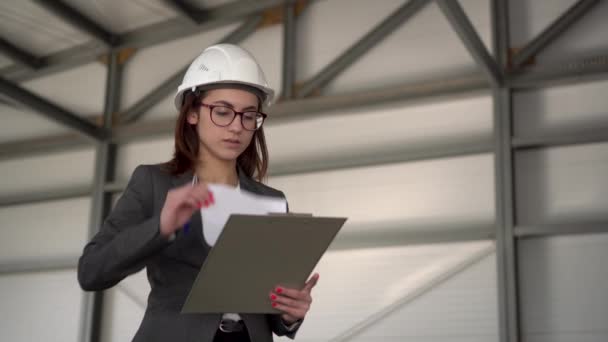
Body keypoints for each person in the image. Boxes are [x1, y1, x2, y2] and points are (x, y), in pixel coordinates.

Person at [78, 44, 318, 342]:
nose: (236, 127)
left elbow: (268, 310)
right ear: (192, 112)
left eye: (248, 115)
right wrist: (161, 227)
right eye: (222, 112)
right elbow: (91, 271)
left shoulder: (271, 201)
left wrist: (289, 314)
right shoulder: (154, 183)